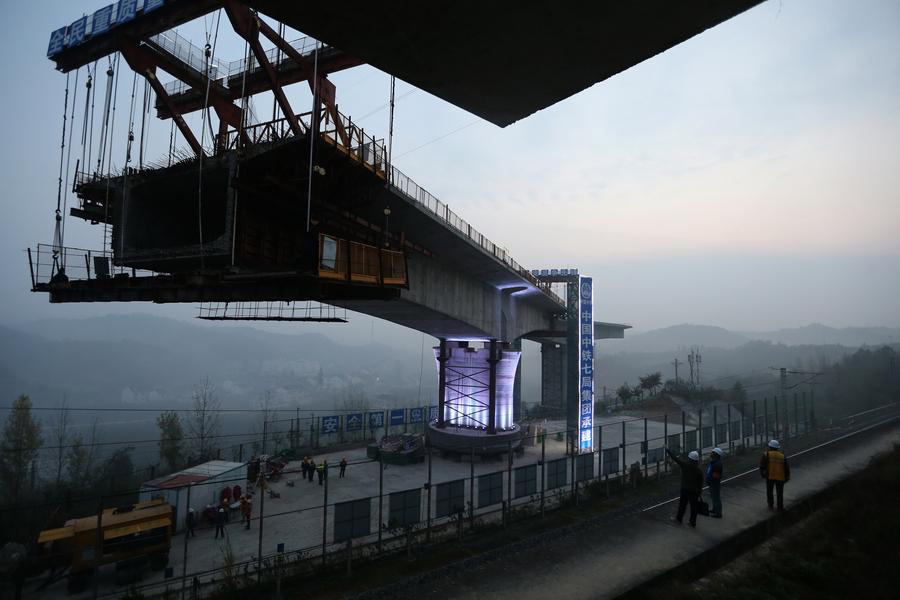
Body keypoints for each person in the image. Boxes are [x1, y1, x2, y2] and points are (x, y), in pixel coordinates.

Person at [665, 447, 703, 528]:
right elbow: (700, 484)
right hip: (694, 492)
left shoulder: (685, 465)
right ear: (697, 460)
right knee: (694, 507)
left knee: (682, 505)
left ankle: (679, 519)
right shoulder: (699, 471)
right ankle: (692, 523)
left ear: (689, 458)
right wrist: (699, 493)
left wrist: (667, 450)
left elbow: (675, 458)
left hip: (685, 489)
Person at [760, 439, 790, 511]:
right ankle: (780, 507)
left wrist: (763, 475)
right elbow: (786, 468)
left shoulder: (766, 454)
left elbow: (762, 466)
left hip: (770, 476)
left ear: (770, 447)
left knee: (769, 491)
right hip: (780, 477)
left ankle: (770, 505)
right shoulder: (782, 456)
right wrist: (787, 477)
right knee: (779, 493)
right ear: (777, 448)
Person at [706, 448, 724, 518]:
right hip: (712, 483)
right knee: (714, 497)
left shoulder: (717, 464)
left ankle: (718, 513)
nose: (711, 453)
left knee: (716, 498)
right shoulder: (714, 462)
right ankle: (714, 509)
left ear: (716, 455)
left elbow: (715, 476)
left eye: (713, 453)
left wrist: (710, 481)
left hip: (714, 484)